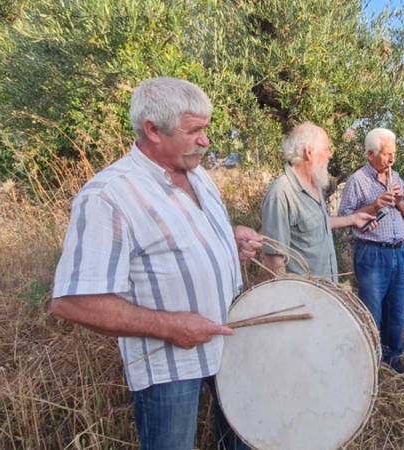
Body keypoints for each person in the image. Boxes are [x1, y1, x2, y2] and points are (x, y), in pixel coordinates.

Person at [49, 77, 263, 450]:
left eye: (205, 129)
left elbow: (183, 237)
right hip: (170, 367)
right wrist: (171, 327)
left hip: (229, 349)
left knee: (243, 440)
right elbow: (72, 301)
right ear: (153, 130)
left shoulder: (199, 175)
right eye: (194, 130)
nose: (205, 141)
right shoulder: (108, 196)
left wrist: (230, 239)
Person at [338, 128, 404, 374]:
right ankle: (369, 362)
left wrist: (401, 201)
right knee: (372, 310)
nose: (392, 159)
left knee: (398, 310)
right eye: (386, 154)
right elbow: (343, 218)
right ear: (370, 154)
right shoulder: (358, 180)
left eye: (394, 153)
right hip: (372, 253)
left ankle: (393, 358)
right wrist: (374, 205)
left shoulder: (398, 178)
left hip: (399, 251)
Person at [260, 123, 375, 281]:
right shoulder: (281, 193)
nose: (330, 155)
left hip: (324, 297)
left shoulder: (315, 185)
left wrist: (353, 219)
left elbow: (315, 224)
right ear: (309, 152)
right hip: (303, 301)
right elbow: (273, 261)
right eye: (326, 149)